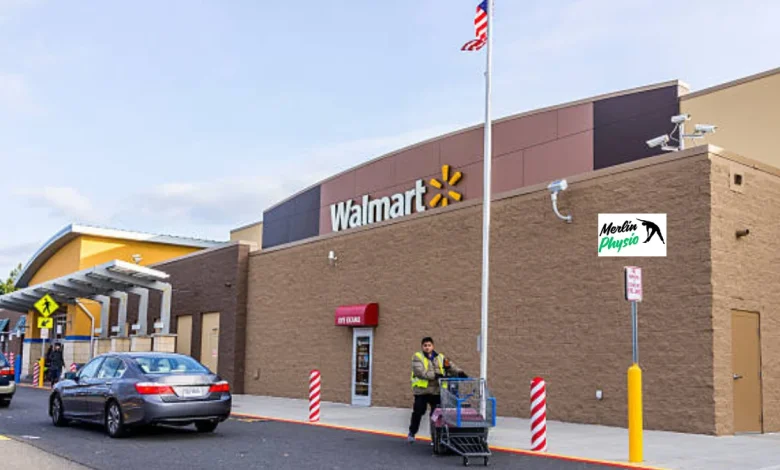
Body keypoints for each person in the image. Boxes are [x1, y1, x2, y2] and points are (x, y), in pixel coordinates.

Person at [407, 336, 466, 444]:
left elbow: (450, 366)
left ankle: (435, 438)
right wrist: (436, 375)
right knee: (419, 412)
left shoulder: (440, 357)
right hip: (422, 391)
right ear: (422, 347)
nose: (427, 347)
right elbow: (420, 372)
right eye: (425, 345)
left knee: (436, 415)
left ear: (433, 346)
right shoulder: (417, 357)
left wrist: (460, 373)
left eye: (429, 345)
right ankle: (412, 432)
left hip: (437, 391)